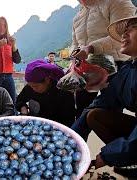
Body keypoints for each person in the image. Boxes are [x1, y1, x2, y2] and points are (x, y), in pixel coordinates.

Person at [72, 13, 137, 173]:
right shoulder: (127, 71)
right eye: (124, 31)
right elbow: (101, 102)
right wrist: (69, 141)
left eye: (132, 29)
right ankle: (130, 159)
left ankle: (129, 157)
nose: (124, 35)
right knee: (94, 115)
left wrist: (107, 156)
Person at [70, 0, 136, 117]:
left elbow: (123, 36)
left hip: (116, 65)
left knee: (110, 112)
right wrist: (74, 58)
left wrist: (90, 48)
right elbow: (75, 43)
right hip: (86, 69)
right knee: (82, 110)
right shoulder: (77, 17)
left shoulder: (117, 2)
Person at [16, 60, 75, 127]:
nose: (33, 89)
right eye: (30, 86)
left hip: (56, 127)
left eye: (35, 86)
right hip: (34, 124)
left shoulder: (64, 92)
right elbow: (19, 100)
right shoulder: (29, 88)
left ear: (47, 80)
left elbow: (69, 120)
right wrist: (23, 108)